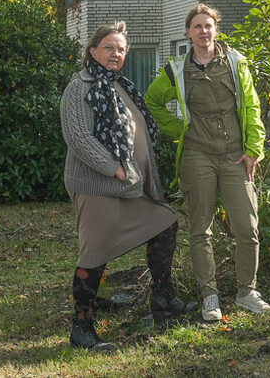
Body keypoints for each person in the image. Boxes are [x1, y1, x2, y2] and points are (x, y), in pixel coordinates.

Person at [60, 21, 191, 351]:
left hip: (129, 186)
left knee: (165, 223)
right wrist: (115, 168)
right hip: (96, 185)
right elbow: (78, 137)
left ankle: (162, 299)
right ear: (93, 51)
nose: (115, 53)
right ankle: (81, 328)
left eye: (121, 49)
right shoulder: (80, 86)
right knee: (95, 254)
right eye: (109, 47)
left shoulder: (120, 85)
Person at [145, 3, 270, 321]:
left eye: (208, 25)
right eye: (197, 26)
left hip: (235, 155)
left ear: (216, 29)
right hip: (196, 155)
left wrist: (254, 148)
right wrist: (180, 129)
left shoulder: (235, 62)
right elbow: (152, 101)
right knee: (200, 230)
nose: (204, 31)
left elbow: (252, 105)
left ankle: (247, 293)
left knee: (247, 227)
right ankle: (210, 297)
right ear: (188, 32)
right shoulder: (177, 69)